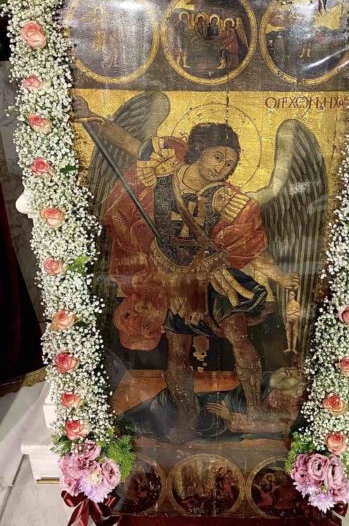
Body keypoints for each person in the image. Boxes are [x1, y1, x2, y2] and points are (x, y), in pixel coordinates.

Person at [73, 97, 299, 441]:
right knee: (178, 350)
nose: (223, 167)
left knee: (239, 337)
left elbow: (251, 246)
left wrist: (280, 276)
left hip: (215, 278)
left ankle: (254, 408)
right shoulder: (163, 167)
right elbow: (125, 141)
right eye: (218, 157)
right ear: (199, 151)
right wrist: (91, 117)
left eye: (230, 163)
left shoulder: (227, 198)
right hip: (172, 279)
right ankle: (186, 414)